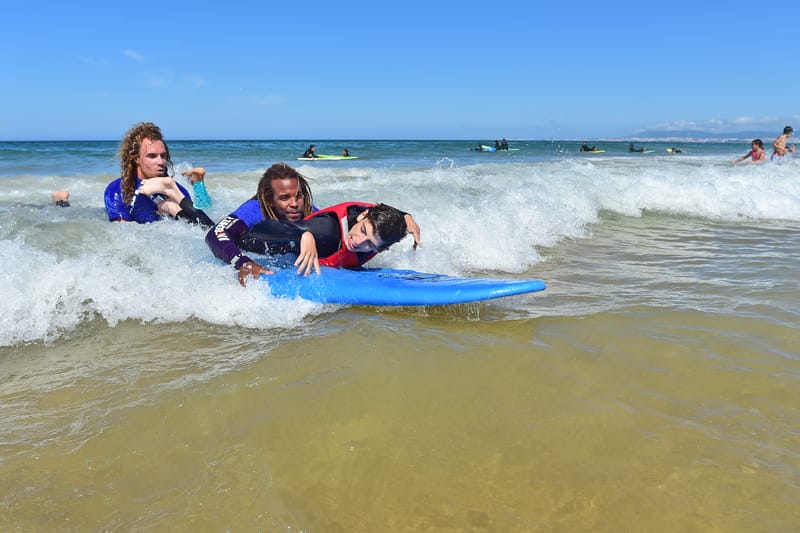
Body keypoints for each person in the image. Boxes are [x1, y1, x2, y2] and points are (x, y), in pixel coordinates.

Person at [205, 162, 424, 285]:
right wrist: (244, 263)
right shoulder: (254, 211)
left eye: (299, 196)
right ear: (269, 198)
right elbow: (215, 235)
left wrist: (405, 216)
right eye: (284, 198)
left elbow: (368, 212)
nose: (294, 204)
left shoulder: (314, 216)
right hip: (249, 242)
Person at [248, 202, 410, 277]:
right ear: (362, 216)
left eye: (370, 244)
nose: (359, 241)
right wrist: (302, 235)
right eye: (362, 230)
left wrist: (406, 216)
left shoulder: (379, 236)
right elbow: (260, 228)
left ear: (379, 250)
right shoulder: (325, 230)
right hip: (254, 245)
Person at [104, 122, 213, 227]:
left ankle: (198, 183)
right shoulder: (118, 191)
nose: (161, 162)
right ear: (136, 158)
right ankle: (196, 180)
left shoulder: (175, 189)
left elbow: (203, 231)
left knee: (205, 206)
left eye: (163, 156)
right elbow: (124, 236)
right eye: (152, 156)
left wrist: (173, 208)